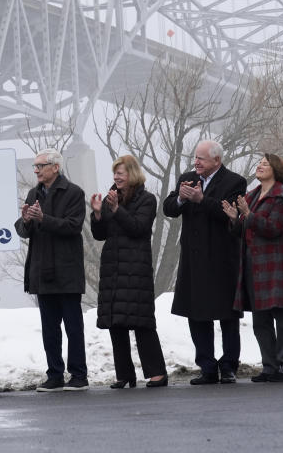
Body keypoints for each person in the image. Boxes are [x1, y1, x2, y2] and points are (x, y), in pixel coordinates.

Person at [163, 140, 246, 384]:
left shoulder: (234, 181)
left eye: (201, 158)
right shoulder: (187, 178)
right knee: (197, 314)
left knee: (227, 316)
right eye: (195, 158)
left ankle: (229, 365)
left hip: (222, 259)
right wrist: (180, 198)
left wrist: (201, 200)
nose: (196, 162)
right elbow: (169, 209)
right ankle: (207, 367)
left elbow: (229, 213)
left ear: (217, 161)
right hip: (194, 258)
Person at [14, 148, 89, 392]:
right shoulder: (33, 193)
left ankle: (78, 375)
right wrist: (26, 220)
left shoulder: (74, 192)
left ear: (55, 167)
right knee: (49, 328)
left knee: (73, 327)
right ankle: (54, 375)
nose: (35, 170)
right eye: (35, 167)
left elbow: (72, 226)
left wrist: (43, 218)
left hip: (66, 270)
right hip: (41, 269)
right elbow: (24, 231)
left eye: (40, 166)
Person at [90, 155, 167, 389]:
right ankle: (124, 375)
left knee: (142, 322)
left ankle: (157, 373)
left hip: (136, 268)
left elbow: (138, 228)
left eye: (120, 173)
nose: (116, 177)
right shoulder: (112, 198)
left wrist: (116, 209)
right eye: (114, 173)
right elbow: (100, 235)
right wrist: (97, 214)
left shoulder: (147, 199)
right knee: (116, 324)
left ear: (132, 174)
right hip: (113, 267)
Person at [222, 154, 283, 383]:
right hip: (252, 264)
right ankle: (270, 366)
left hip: (275, 264)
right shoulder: (252, 195)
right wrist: (234, 219)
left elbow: (273, 228)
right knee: (260, 320)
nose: (260, 166)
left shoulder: (282, 197)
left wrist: (247, 214)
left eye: (265, 164)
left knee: (282, 317)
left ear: (276, 170)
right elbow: (243, 230)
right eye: (259, 162)